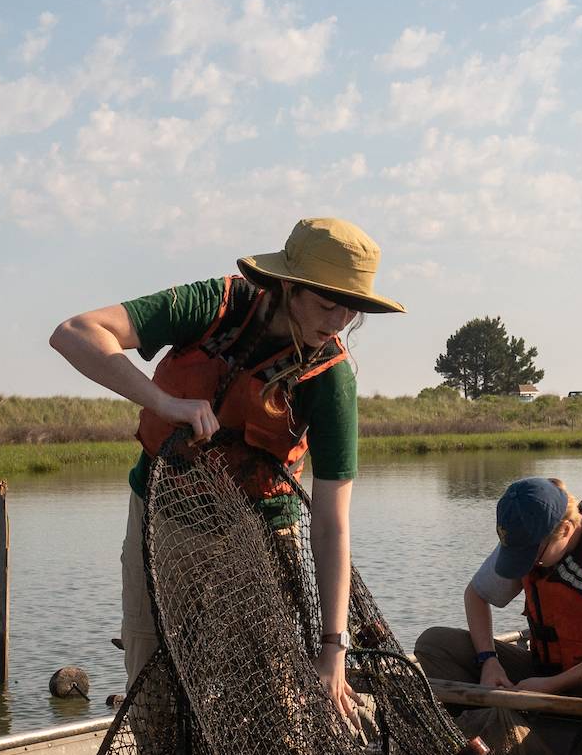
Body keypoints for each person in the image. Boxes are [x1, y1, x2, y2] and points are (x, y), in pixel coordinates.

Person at [49, 216, 404, 727]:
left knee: (270, 702)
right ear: (287, 285)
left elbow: (331, 523)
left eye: (353, 307)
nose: (340, 319)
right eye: (328, 302)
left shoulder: (332, 380)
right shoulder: (213, 306)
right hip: (165, 522)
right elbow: (75, 333)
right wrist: (164, 401)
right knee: (154, 687)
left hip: (261, 537)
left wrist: (333, 650)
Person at [415, 476, 582, 755]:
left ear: (564, 530)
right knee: (435, 644)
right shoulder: (530, 539)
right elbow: (476, 595)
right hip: (548, 675)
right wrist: (489, 662)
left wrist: (551, 686)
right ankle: (511, 734)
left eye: (530, 556)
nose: (525, 564)